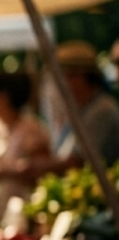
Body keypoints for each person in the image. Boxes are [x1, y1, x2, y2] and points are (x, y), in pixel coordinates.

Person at [0, 70, 51, 217]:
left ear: (4, 96)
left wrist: (5, 172)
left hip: (23, 213)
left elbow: (43, 172)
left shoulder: (32, 129)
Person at [46, 40, 119, 170]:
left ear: (80, 77)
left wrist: (27, 168)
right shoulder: (80, 110)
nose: (57, 85)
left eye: (63, 76)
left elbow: (77, 161)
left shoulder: (102, 110)